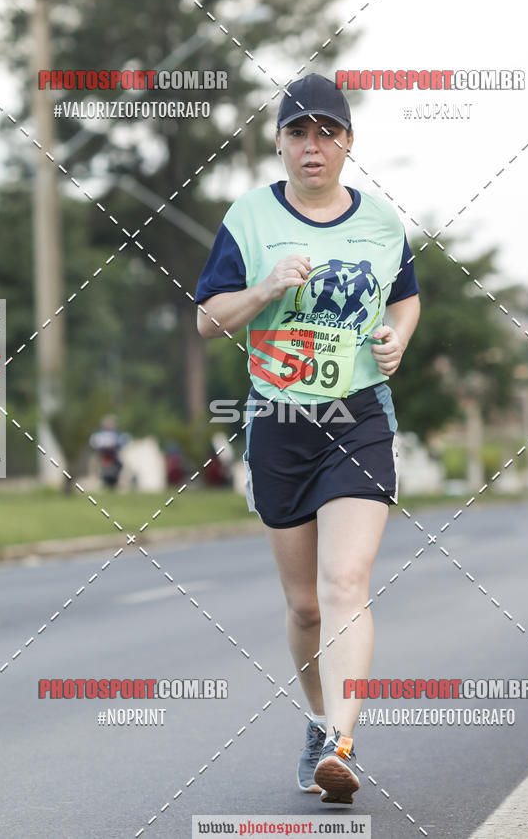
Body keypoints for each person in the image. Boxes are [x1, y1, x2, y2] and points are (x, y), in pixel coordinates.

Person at [195, 73, 420, 805]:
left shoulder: (383, 222)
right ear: (282, 143)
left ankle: (342, 744)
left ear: (349, 141)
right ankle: (318, 718)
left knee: (346, 582)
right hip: (280, 421)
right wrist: (263, 288)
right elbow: (209, 318)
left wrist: (397, 340)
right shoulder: (250, 217)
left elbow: (406, 297)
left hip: (357, 414)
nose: (312, 146)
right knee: (305, 607)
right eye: (299, 132)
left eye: (327, 132)